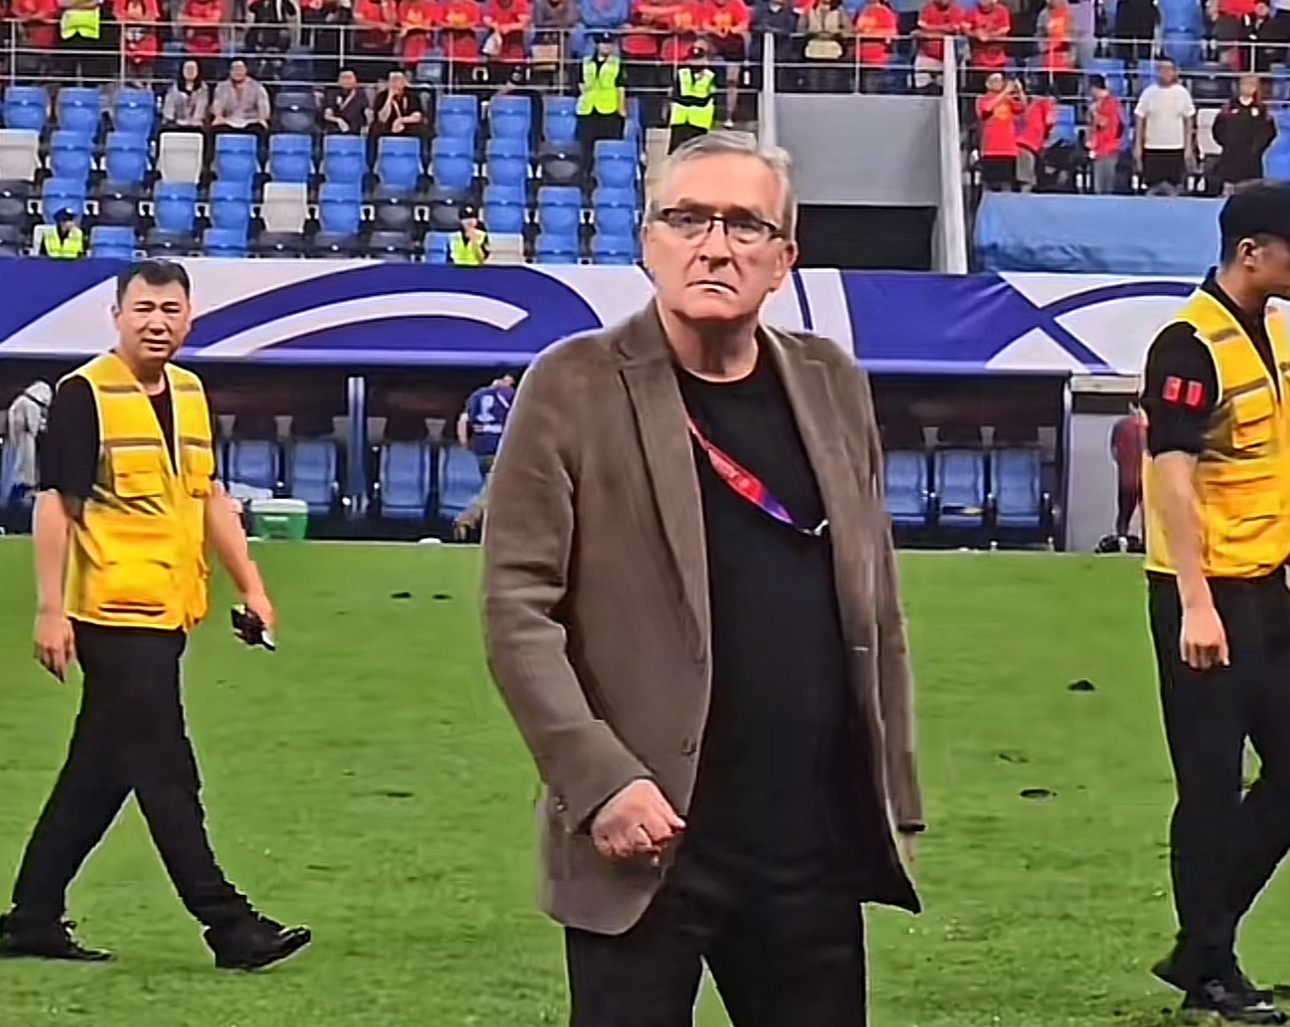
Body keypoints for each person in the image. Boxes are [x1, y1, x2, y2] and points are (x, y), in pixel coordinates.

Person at [482, 131, 922, 1027]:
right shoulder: (571, 385)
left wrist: (894, 796)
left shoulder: (832, 382)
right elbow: (517, 609)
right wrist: (600, 781)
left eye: (745, 225)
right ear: (648, 242)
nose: (714, 246)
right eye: (687, 219)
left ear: (783, 260)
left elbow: (875, 603)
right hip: (647, 835)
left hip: (807, 840)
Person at [0, 261, 311, 972]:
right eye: (143, 308)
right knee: (168, 769)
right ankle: (228, 924)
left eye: (171, 310)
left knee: (102, 771)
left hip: (169, 610)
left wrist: (253, 586)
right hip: (111, 614)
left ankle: (33, 916)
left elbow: (209, 497)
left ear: (189, 317)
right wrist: (50, 609)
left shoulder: (192, 392)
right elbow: (56, 505)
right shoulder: (83, 393)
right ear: (116, 315)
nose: (157, 322)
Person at [1138, 182, 1290, 1026]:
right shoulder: (1188, 345)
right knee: (1210, 785)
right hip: (1206, 594)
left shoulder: (1275, 331)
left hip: (1270, 589)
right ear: (1250, 252)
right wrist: (1197, 602)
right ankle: (1211, 964)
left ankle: (1202, 944)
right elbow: (1170, 476)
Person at [575, 32, 626, 158]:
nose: (606, 47)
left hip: (608, 110)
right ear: (597, 45)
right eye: (603, 43)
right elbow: (579, 81)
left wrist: (621, 109)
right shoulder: (586, 62)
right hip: (587, 110)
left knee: (607, 147)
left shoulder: (616, 64)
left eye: (609, 44)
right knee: (586, 148)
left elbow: (620, 87)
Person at [457, 372, 515, 475]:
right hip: (504, 445)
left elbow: (463, 420)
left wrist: (464, 442)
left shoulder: (477, 395)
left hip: (482, 444)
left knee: (487, 476)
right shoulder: (509, 395)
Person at [5, 381, 52, 506]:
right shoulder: (30, 405)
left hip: (16, 440)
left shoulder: (19, 402)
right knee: (27, 465)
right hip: (27, 441)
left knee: (14, 463)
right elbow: (33, 427)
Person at [668, 42, 717, 153]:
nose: (695, 63)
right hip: (681, 119)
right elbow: (677, 94)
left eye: (699, 59)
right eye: (693, 59)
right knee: (677, 150)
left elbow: (712, 95)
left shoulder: (711, 74)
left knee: (697, 152)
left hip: (700, 120)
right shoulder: (681, 72)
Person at [1109, 400, 1144, 540]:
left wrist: (1123, 463)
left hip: (1126, 478)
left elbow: (1114, 452)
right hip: (1145, 477)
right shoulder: (1147, 427)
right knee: (1147, 514)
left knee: (1124, 514)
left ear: (1130, 406)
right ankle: (1147, 542)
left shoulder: (1120, 426)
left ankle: (1122, 539)